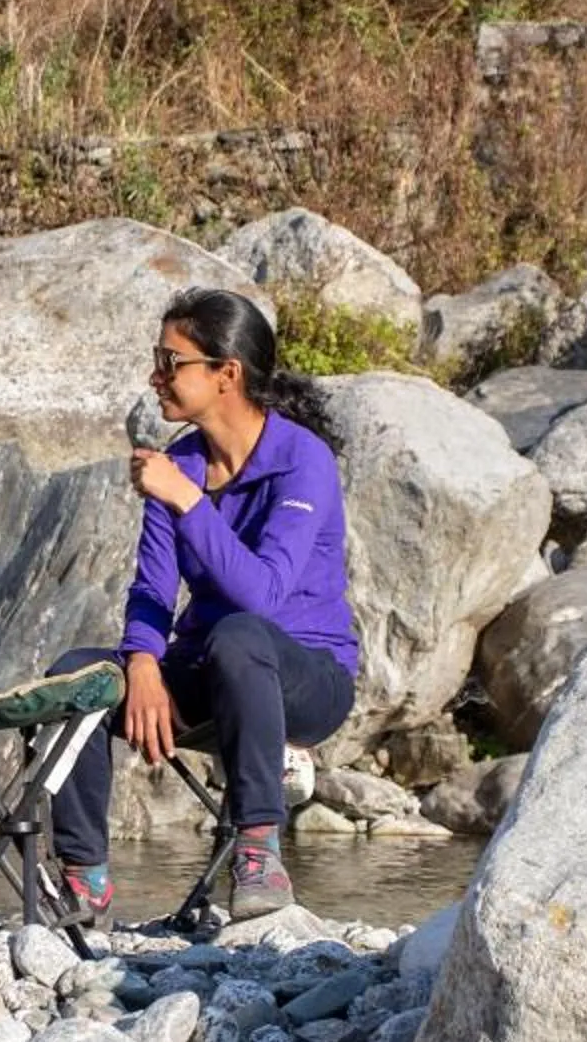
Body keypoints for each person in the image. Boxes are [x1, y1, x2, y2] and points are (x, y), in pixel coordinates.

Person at [48, 287, 359, 923]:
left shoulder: (304, 460)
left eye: (170, 362)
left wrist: (187, 502)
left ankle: (258, 849)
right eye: (156, 359)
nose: (154, 376)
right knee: (73, 675)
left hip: (305, 677)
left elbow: (265, 595)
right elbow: (153, 588)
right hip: (210, 672)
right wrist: (139, 665)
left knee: (240, 635)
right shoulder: (181, 463)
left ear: (226, 375)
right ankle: (85, 879)